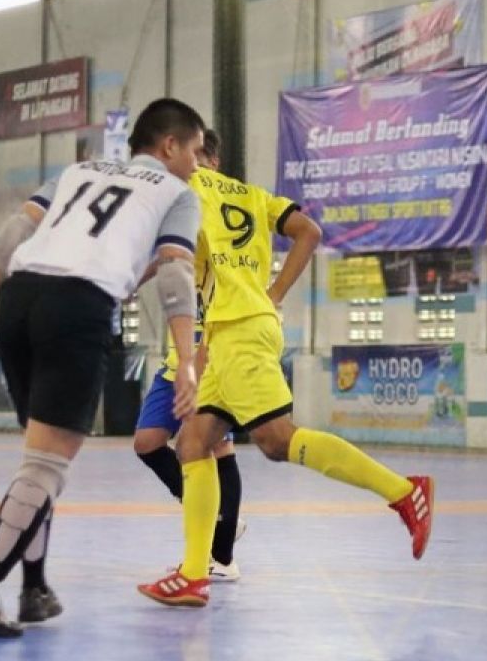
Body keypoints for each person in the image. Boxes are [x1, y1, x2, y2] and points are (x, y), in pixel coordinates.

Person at [0, 98, 206, 637]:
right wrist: (186, 361)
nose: (199, 164)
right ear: (170, 147)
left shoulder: (77, 170)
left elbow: (11, 237)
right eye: (197, 152)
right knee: (45, 467)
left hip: (17, 300)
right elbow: (176, 278)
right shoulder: (178, 193)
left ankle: (34, 589)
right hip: (76, 307)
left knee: (37, 461)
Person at [137, 159, 433, 607]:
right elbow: (309, 231)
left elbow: (168, 258)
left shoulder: (185, 192)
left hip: (237, 330)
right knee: (193, 444)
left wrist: (116, 278)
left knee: (277, 441)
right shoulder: (252, 194)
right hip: (232, 329)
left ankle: (405, 492)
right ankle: (195, 574)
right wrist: (272, 295)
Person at [133, 128, 244, 581]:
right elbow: (168, 258)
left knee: (215, 446)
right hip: (177, 359)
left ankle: (222, 556)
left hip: (213, 353)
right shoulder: (182, 211)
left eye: (197, 160)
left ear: (212, 164)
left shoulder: (228, 216)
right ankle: (208, 512)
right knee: (147, 442)